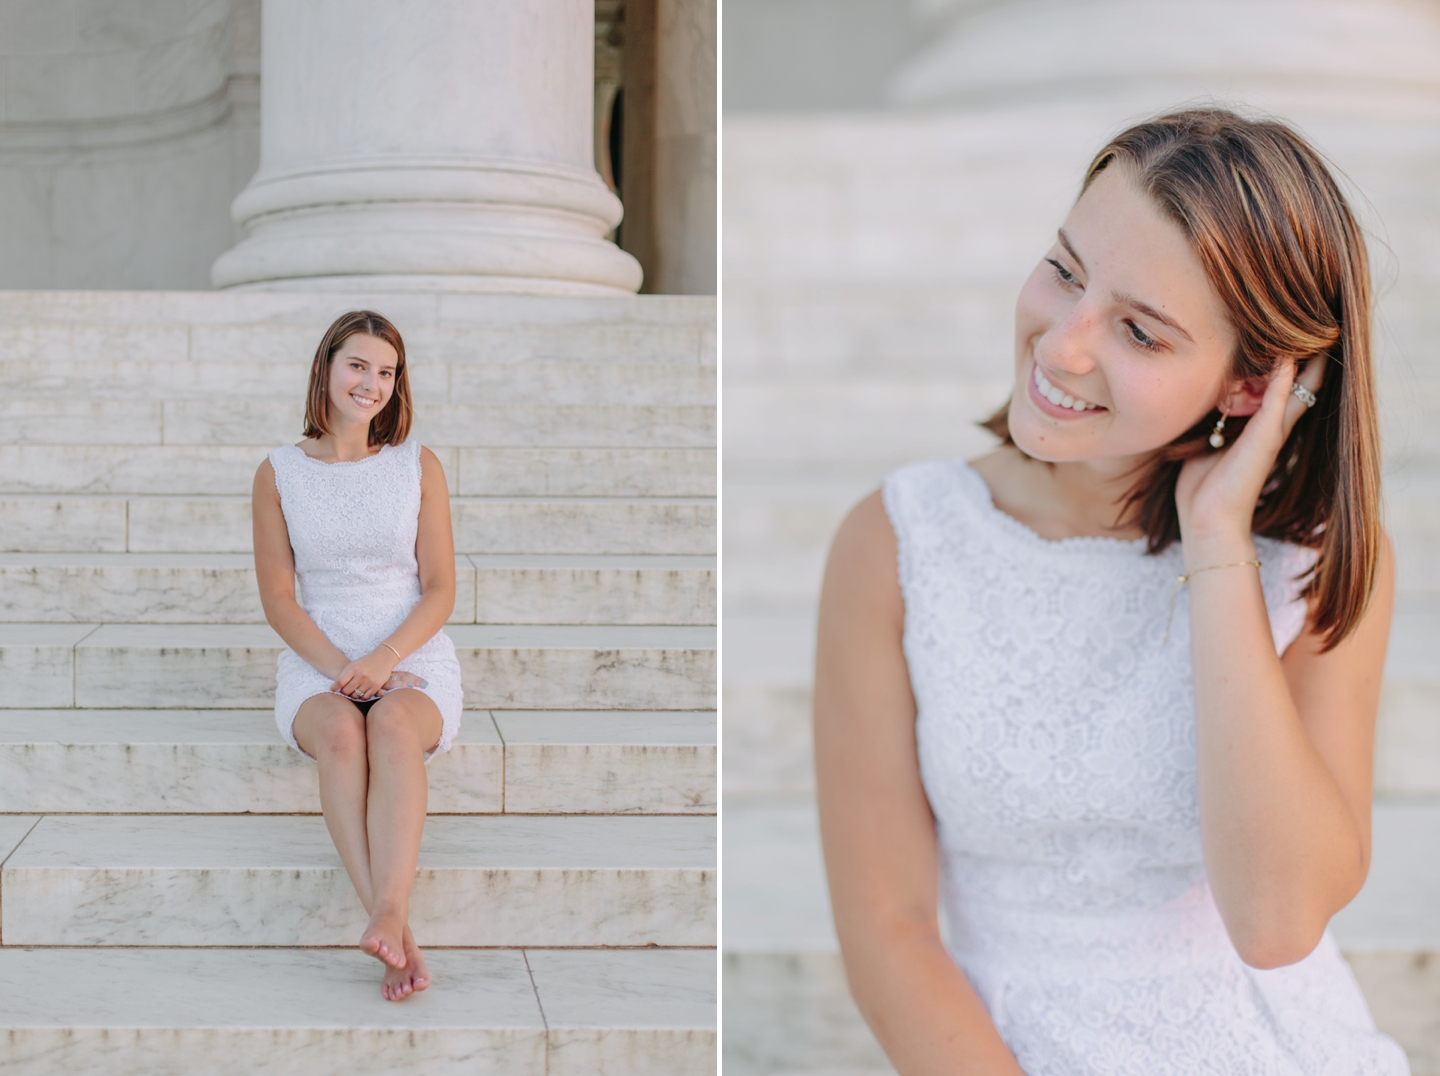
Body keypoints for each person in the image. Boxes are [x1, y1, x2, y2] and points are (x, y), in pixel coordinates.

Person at [813, 109, 1409, 1073]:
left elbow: (1275, 918)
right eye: (1064, 270)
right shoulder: (897, 542)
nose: (1062, 346)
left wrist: (1217, 542)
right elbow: (888, 930)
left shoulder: (1322, 568)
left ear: (1248, 387)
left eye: (1138, 330)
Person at [252, 309, 463, 1002]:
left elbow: (439, 589)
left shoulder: (417, 464)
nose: (371, 383)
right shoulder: (278, 472)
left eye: (386, 372)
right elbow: (281, 600)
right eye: (358, 366)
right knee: (344, 733)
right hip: (317, 657)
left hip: (411, 650)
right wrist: (345, 668)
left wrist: (384, 658)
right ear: (326, 368)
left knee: (394, 726)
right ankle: (394, 922)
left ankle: (388, 915)